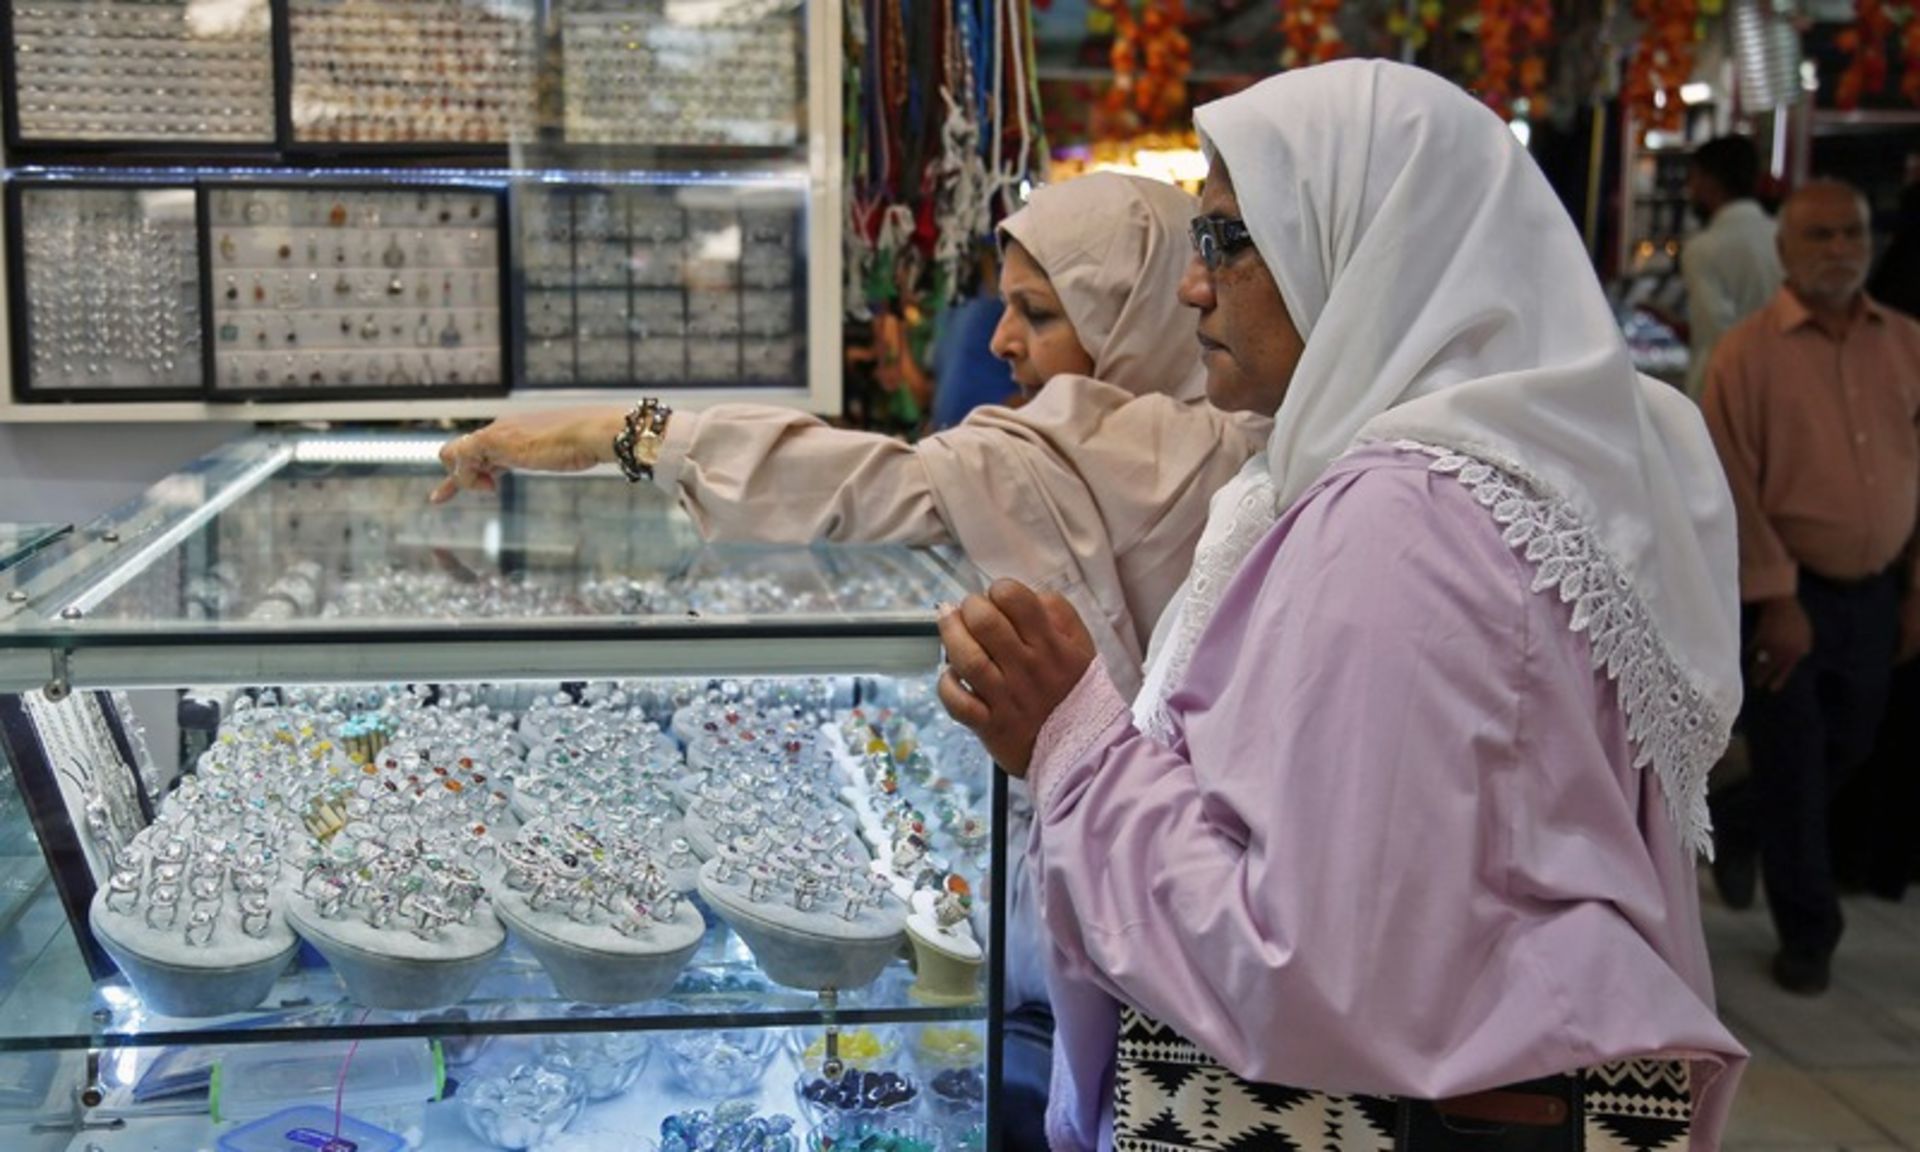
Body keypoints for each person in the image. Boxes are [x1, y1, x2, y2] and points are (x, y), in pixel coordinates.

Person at [936, 60, 1746, 1151]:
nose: (1194, 286)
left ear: (1368, 254)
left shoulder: (1407, 524)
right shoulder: (1513, 474)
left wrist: (1071, 736)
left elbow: (1301, 964)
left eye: (1229, 240)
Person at [435, 172, 1266, 702]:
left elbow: (864, 486)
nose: (1000, 342)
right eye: (1006, 306)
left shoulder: (1187, 456)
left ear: (1138, 313)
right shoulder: (1179, 447)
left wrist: (614, 432)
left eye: (1039, 315)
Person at [1700, 180, 1920, 992]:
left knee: (1853, 744)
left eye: (1851, 232)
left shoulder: (1905, 345)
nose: (1839, 250)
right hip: (1786, 597)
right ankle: (1809, 933)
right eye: (1819, 236)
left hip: (1875, 590)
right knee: (1794, 762)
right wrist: (1777, 598)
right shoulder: (1746, 356)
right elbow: (1732, 485)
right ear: (1785, 253)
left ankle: (1737, 821)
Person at [1680, 136, 1783, 402]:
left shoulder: (1703, 249)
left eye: (1693, 178)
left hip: (1725, 392)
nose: (1690, 188)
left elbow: (1715, 333)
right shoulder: (1782, 237)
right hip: (1777, 385)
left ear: (1709, 180)